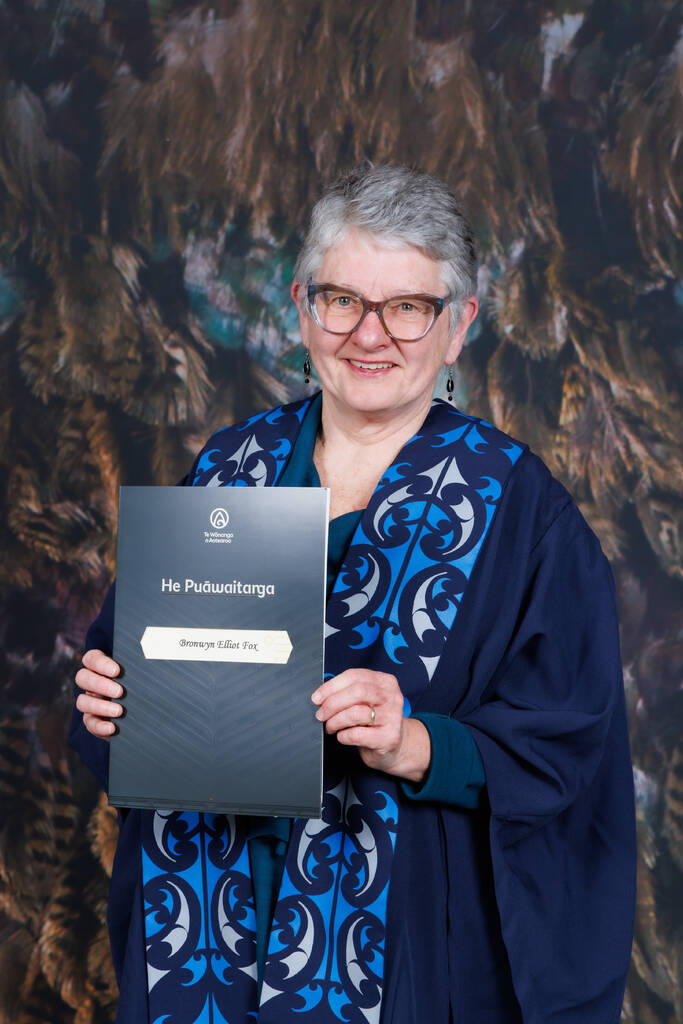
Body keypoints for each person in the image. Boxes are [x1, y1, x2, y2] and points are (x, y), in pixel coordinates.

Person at [70, 164, 636, 1024]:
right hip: (203, 919)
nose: (370, 335)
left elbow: (569, 741)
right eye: (341, 300)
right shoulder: (228, 470)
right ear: (302, 307)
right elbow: (127, 675)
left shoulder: (523, 510)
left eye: (408, 307)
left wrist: (416, 742)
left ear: (456, 328)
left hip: (399, 950)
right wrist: (105, 703)